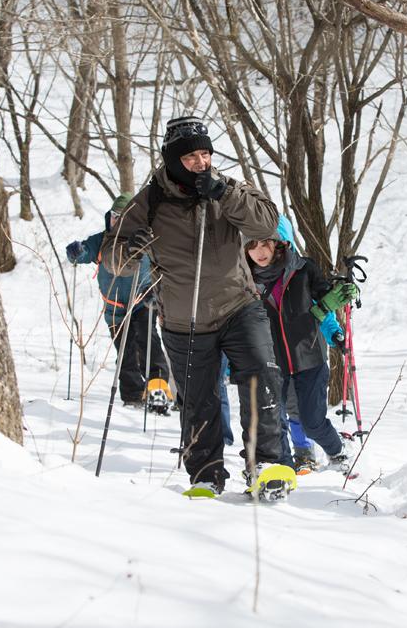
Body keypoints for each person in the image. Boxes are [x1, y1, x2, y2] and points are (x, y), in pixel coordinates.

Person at [101, 115, 283, 496]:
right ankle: (206, 474)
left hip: (238, 305)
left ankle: (266, 464)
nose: (201, 163)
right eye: (190, 157)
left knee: (259, 378)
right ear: (172, 160)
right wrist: (130, 252)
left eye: (205, 154)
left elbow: (267, 223)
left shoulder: (228, 187)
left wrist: (223, 194)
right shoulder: (150, 201)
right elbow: (113, 255)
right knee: (198, 401)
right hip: (184, 319)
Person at [245, 216, 359, 474]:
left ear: (282, 244)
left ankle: (337, 451)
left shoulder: (304, 270)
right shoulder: (247, 281)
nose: (260, 252)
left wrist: (334, 333)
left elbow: (324, 303)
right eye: (252, 245)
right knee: (275, 420)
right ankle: (287, 465)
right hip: (273, 363)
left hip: (310, 358)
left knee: (312, 422)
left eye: (267, 244)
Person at [65, 193, 172, 413]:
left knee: (148, 343)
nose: (118, 221)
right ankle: (132, 394)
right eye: (115, 216)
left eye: (123, 217)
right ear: (109, 217)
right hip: (114, 308)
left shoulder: (143, 239)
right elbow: (83, 254)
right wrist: (75, 252)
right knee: (124, 351)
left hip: (143, 301)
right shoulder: (101, 240)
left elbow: (164, 263)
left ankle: (158, 389)